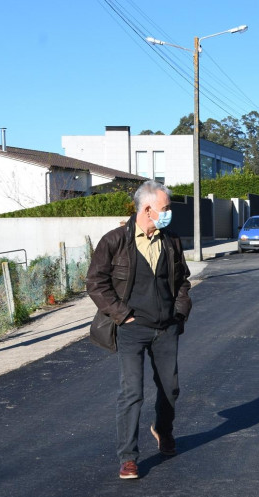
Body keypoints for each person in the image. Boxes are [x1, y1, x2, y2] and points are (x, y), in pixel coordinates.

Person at [87, 180, 192, 480]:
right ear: (148, 209)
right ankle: (128, 456)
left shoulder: (170, 240)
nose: (169, 212)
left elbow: (182, 281)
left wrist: (180, 313)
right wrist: (122, 315)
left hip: (166, 328)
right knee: (132, 392)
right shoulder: (115, 241)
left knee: (170, 389)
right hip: (132, 329)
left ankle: (163, 430)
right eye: (166, 207)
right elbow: (95, 282)